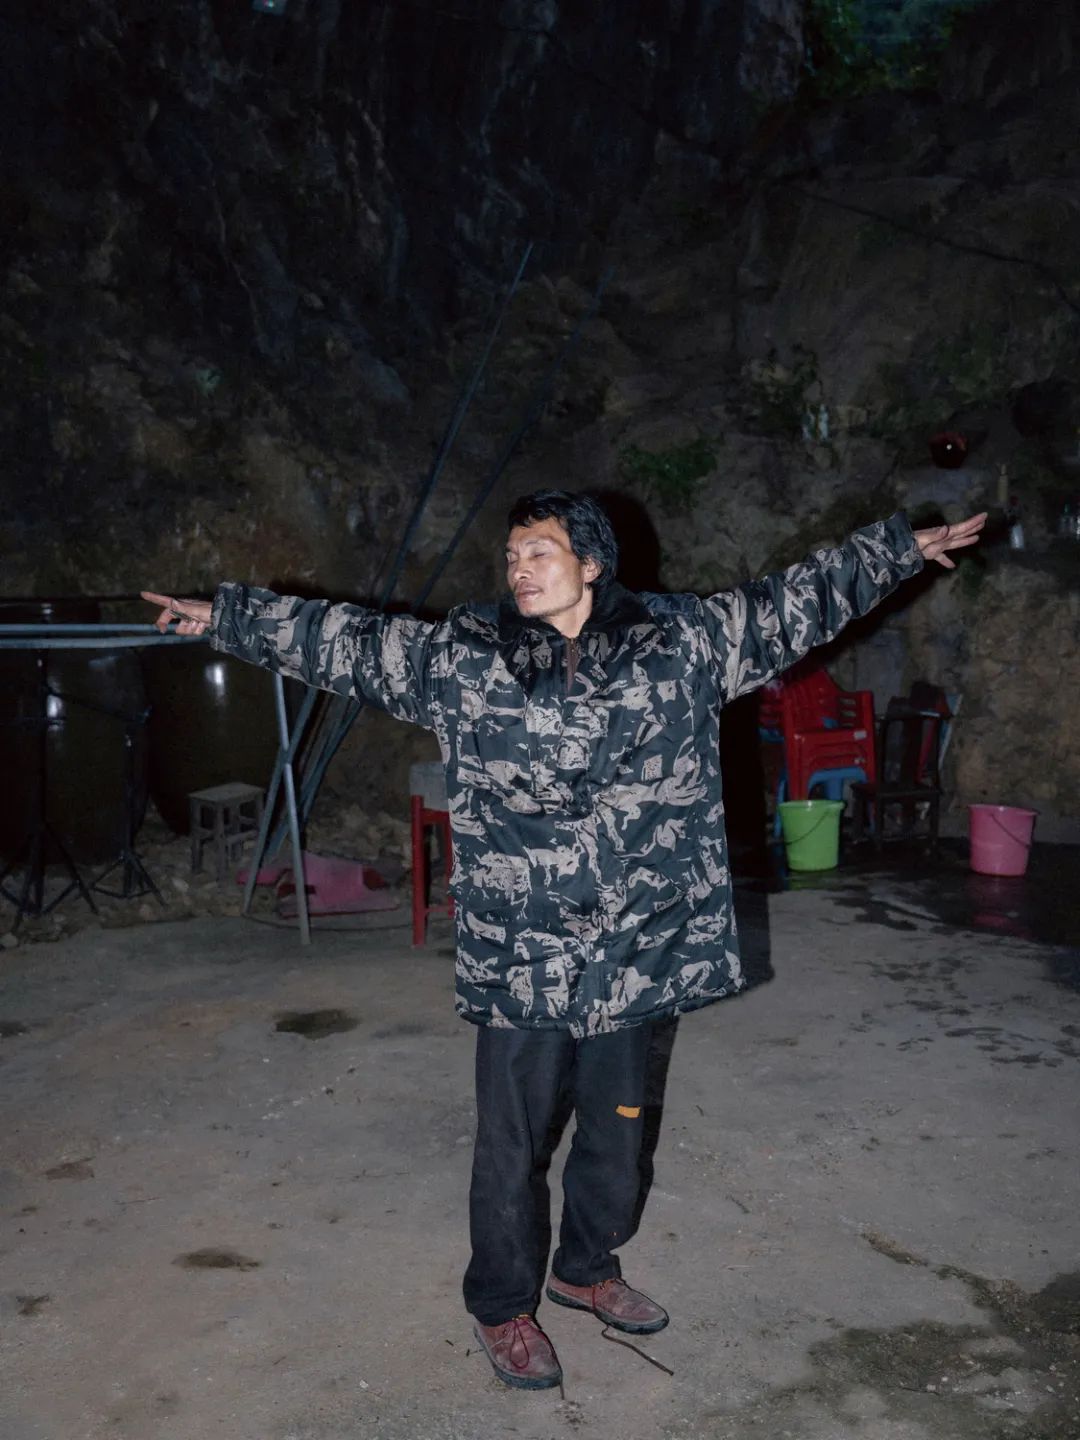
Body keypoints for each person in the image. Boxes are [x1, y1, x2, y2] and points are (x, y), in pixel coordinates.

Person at [143, 492, 985, 1391]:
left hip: (635, 946)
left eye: (538, 551)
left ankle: (587, 1268)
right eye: (511, 556)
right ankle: (502, 1304)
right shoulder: (467, 656)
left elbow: (795, 601)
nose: (519, 569)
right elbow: (344, 640)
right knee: (511, 1140)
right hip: (522, 948)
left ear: (591, 563)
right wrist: (227, 617)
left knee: (618, 1129)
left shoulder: (682, 642)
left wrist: (896, 550)